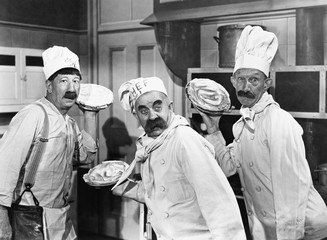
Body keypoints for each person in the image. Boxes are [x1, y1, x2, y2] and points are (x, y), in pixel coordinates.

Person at [199, 25, 327, 240]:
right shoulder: (241, 124)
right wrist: (213, 127)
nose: (245, 87)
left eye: (254, 80)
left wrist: (288, 237)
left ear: (267, 84)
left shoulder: (279, 122)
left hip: (304, 228)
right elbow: (228, 167)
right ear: (232, 81)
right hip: (269, 227)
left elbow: (291, 190)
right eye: (240, 79)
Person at [112, 76, 246, 240]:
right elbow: (164, 193)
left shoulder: (184, 140)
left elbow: (219, 204)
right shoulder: (150, 144)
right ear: (136, 115)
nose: (153, 116)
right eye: (144, 110)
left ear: (170, 107)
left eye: (157, 106)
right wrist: (123, 187)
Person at [0, 46, 98, 240]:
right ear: (50, 86)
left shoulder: (69, 123)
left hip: (58, 214)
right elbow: (5, 168)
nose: (72, 88)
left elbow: (87, 157)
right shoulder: (33, 115)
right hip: (29, 214)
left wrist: (91, 113)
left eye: (76, 81)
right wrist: (2, 218)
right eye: (64, 81)